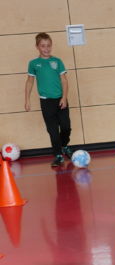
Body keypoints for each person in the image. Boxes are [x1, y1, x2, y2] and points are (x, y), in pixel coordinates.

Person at [25, 32, 73, 167]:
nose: (46, 49)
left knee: (66, 127)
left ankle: (64, 146)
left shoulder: (57, 62)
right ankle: (58, 155)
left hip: (60, 100)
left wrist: (64, 97)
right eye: (43, 46)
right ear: (37, 47)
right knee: (53, 131)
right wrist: (27, 100)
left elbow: (64, 81)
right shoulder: (34, 63)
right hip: (46, 102)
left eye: (48, 46)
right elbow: (29, 82)